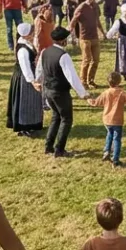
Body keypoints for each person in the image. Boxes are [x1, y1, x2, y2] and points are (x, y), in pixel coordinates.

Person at [37, 27, 92, 157]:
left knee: (55, 117)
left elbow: (40, 70)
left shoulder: (45, 51)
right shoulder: (64, 56)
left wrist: (37, 81)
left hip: (48, 90)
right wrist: (83, 93)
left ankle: (48, 146)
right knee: (66, 119)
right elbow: (72, 77)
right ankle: (59, 150)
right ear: (62, 41)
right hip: (60, 92)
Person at [6, 23, 44, 137]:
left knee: (33, 102)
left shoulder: (26, 43)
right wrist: (32, 81)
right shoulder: (23, 50)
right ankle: (25, 127)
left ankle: (33, 124)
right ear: (27, 35)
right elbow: (25, 67)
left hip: (29, 76)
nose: (34, 34)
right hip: (24, 79)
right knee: (26, 102)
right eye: (32, 32)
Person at [71, 0, 107, 87]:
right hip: (85, 38)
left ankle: (91, 80)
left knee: (95, 60)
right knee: (86, 60)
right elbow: (73, 21)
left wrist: (103, 33)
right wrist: (73, 36)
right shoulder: (82, 7)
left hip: (94, 37)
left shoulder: (95, 6)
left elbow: (97, 21)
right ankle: (83, 82)